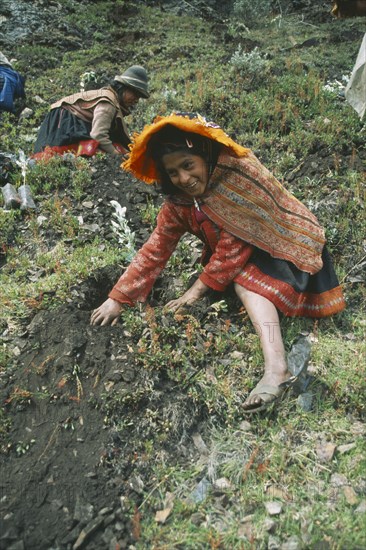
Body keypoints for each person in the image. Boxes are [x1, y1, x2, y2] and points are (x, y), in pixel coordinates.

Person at [90, 112, 346, 413]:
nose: (183, 179)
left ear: (205, 156)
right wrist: (118, 298)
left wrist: (194, 292)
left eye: (188, 165)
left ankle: (277, 367)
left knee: (243, 281)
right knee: (237, 275)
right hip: (247, 250)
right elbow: (155, 248)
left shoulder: (236, 177)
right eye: (173, 173)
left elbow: (231, 253)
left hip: (289, 248)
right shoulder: (179, 204)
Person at [33, 65, 149, 161]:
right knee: (96, 148)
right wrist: (116, 155)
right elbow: (98, 134)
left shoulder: (112, 99)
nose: (136, 99)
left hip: (69, 121)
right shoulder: (108, 102)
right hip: (62, 123)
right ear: (123, 88)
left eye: (139, 96)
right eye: (134, 94)